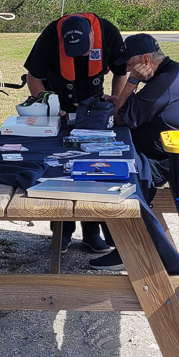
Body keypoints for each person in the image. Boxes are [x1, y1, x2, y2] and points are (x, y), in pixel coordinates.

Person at [24, 13, 127, 254]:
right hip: (59, 105)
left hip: (94, 107)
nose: (80, 55)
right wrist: (48, 102)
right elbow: (34, 77)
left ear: (92, 35)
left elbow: (121, 72)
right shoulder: (50, 36)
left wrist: (116, 104)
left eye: (83, 49)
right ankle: (62, 231)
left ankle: (92, 231)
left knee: (94, 165)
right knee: (58, 166)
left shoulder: (109, 33)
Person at [113, 33, 179, 185]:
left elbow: (119, 118)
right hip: (174, 154)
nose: (128, 69)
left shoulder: (165, 82)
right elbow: (131, 109)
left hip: (175, 161)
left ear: (145, 60)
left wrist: (133, 80)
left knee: (116, 172)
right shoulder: (173, 71)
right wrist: (119, 101)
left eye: (130, 64)